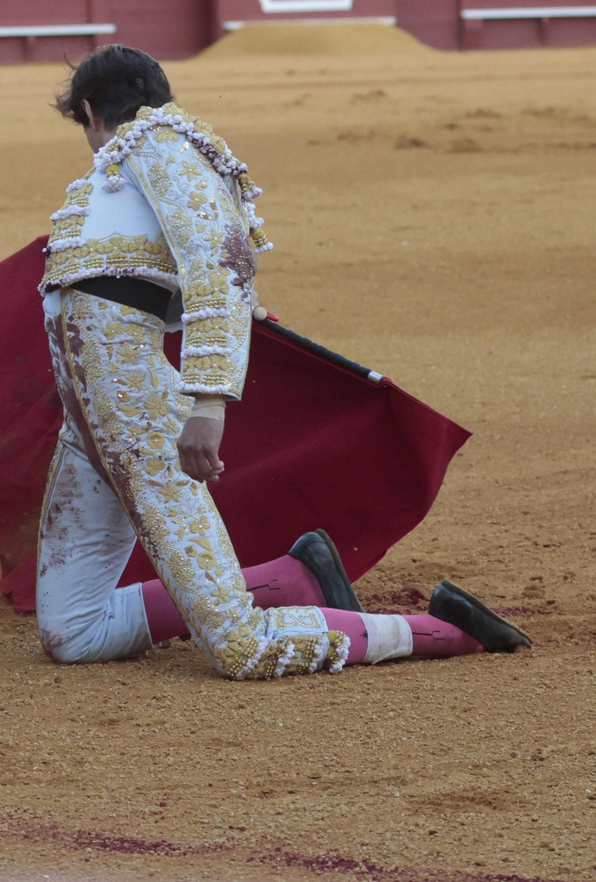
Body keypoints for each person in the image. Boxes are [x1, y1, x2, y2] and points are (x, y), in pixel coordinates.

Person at [35, 44, 529, 678]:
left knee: (241, 648)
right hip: (90, 436)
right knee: (73, 632)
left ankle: (443, 630)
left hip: (144, 423)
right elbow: (134, 293)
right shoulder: (118, 176)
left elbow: (221, 268)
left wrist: (208, 404)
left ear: (88, 111)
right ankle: (292, 579)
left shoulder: (159, 144)